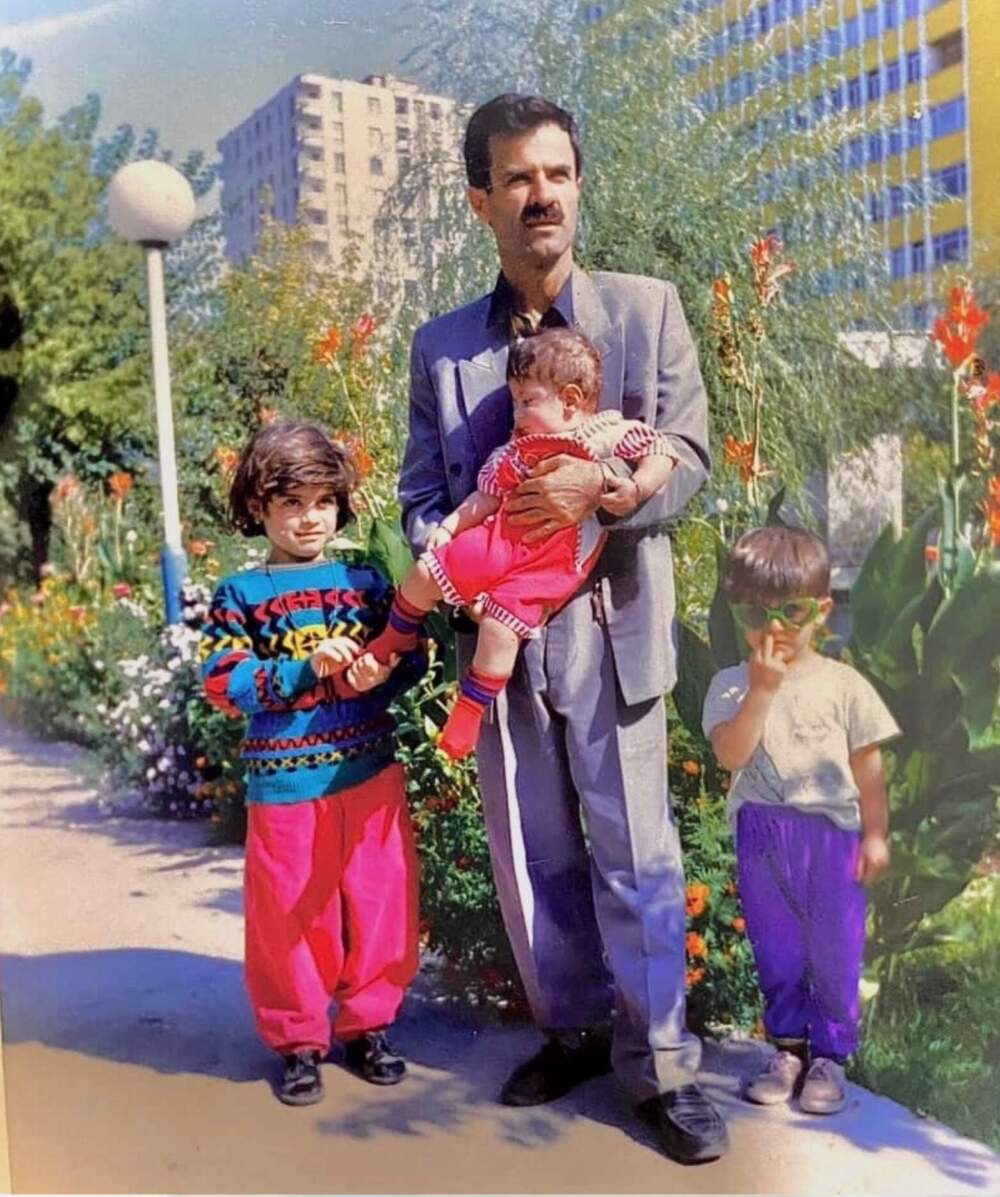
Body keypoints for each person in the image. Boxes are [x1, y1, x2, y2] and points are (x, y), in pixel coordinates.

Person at [398, 93, 727, 1164]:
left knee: (636, 851)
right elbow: (417, 491)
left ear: (576, 184)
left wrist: (613, 490)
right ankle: (572, 1033)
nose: (540, 195)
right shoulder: (443, 348)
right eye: (517, 178)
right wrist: (445, 550)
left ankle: (663, 1072)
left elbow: (685, 446)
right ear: (480, 199)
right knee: (534, 852)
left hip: (610, 616)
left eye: (556, 174)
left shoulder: (645, 310)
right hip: (499, 625)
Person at [200, 421, 423, 1106]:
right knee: (292, 914)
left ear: (341, 505)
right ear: (258, 508)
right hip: (287, 782)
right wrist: (303, 668)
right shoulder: (239, 593)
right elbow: (223, 680)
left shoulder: (364, 577)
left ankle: (369, 1024)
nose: (309, 518)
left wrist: (375, 669)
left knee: (382, 901)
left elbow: (406, 656)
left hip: (370, 772)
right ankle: (299, 1039)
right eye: (292, 503)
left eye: (323, 502)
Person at [362, 326, 676, 759]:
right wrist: (451, 526)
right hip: (500, 536)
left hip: (550, 561)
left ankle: (470, 710)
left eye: (527, 401)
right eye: (515, 400)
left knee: (500, 629)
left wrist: (636, 488)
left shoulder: (603, 434)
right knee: (427, 570)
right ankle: (395, 636)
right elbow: (485, 497)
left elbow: (661, 450)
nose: (516, 412)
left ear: (569, 399)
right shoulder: (516, 449)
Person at [702, 526, 899, 1114]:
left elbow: (869, 764)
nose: (776, 626)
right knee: (778, 947)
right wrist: (761, 693)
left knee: (835, 949)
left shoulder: (843, 685)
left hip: (830, 837)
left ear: (823, 609)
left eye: (792, 610)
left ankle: (829, 1058)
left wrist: (876, 834)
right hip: (762, 832)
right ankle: (787, 1047)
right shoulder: (731, 686)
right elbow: (731, 756)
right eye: (756, 612)